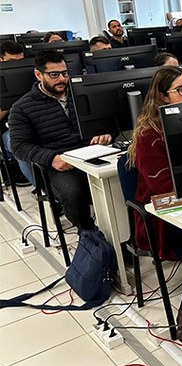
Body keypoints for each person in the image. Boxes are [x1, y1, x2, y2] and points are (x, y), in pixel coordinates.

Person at [125, 66, 182, 346]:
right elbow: (163, 189)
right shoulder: (149, 135)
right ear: (162, 97)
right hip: (161, 217)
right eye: (181, 89)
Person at [9, 51, 112, 232]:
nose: (62, 79)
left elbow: (109, 121)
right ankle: (90, 235)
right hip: (58, 165)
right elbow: (19, 147)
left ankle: (125, 235)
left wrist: (106, 134)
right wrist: (51, 158)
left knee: (123, 178)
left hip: (92, 154)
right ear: (38, 74)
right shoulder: (22, 108)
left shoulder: (81, 94)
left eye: (65, 73)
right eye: (54, 75)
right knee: (74, 193)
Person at [0, 41, 32, 187]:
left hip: (35, 119)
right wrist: (12, 103)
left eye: (20, 61)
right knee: (21, 147)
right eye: (12, 62)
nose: (16, 66)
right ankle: (47, 192)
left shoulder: (28, 73)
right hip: (8, 130)